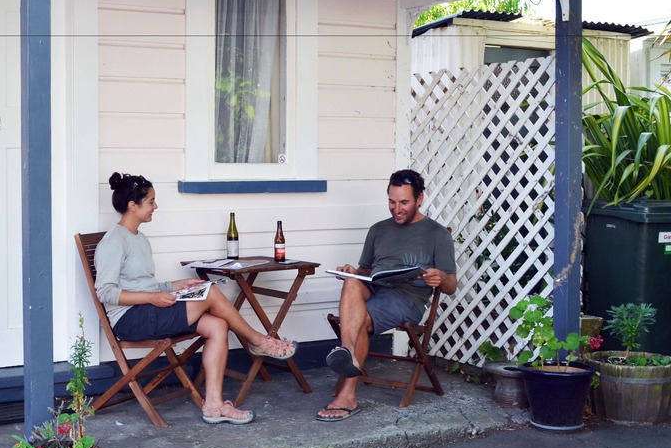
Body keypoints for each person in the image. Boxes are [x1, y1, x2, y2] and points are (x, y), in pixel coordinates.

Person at [95, 172, 298, 425]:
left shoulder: (139, 238)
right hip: (131, 320)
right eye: (150, 202)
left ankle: (213, 405)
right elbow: (105, 292)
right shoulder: (113, 242)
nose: (155, 207)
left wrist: (177, 285)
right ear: (132, 206)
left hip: (150, 310)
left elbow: (144, 283)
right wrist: (153, 296)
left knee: (217, 324)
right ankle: (258, 341)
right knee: (211, 293)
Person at [318, 169, 457, 422]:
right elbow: (366, 271)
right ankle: (348, 351)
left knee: (359, 318)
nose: (397, 209)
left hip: (406, 297)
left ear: (420, 199)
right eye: (392, 202)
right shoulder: (378, 230)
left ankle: (347, 393)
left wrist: (441, 277)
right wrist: (353, 272)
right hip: (376, 289)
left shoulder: (437, 235)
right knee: (351, 282)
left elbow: (450, 286)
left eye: (404, 202)